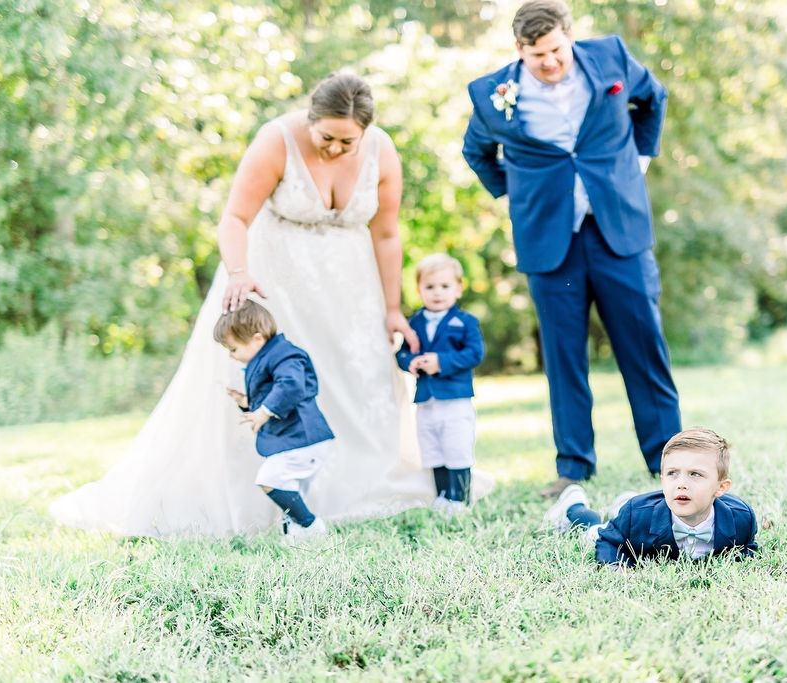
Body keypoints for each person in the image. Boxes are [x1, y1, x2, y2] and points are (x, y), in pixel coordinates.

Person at [51, 73, 490, 537]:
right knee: (283, 376)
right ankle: (280, 490)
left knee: (360, 384)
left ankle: (354, 486)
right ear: (310, 118)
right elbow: (235, 217)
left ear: (366, 131)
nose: (336, 150)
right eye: (327, 138)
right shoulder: (276, 139)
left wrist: (392, 306)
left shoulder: (382, 150)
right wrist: (239, 272)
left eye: (349, 142)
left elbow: (386, 233)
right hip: (278, 282)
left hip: (352, 290)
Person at [462, 0, 681, 498]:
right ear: (519, 50)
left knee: (645, 347)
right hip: (549, 242)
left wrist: (640, 160)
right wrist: (516, 197)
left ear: (570, 36)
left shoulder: (612, 59)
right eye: (537, 55)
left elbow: (654, 98)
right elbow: (476, 152)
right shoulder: (492, 95)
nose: (550, 62)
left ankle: (668, 461)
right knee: (563, 358)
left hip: (618, 231)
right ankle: (573, 467)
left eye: (557, 50)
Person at [542, 427, 757, 567]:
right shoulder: (638, 516)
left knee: (634, 512)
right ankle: (573, 505)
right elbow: (610, 542)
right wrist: (617, 569)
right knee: (592, 531)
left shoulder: (741, 518)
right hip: (637, 519)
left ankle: (623, 504)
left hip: (640, 512)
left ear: (720, 488)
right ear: (663, 480)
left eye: (695, 474)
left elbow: (746, 549)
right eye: (673, 473)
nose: (681, 483)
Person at [214, 300, 333, 540]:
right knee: (290, 489)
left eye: (234, 348)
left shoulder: (285, 355)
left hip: (303, 438)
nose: (231, 355)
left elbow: (291, 385)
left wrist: (264, 411)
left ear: (257, 339)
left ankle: (311, 526)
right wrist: (248, 402)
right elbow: (273, 391)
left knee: (270, 479)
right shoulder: (268, 356)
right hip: (293, 440)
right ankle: (297, 535)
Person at [395, 254, 485, 514]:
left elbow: (474, 353)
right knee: (433, 449)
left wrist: (441, 361)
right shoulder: (416, 322)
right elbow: (402, 353)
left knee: (456, 447)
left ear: (458, 288)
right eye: (430, 287)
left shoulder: (465, 321)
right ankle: (443, 496)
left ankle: (461, 499)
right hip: (426, 399)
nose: (437, 293)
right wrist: (410, 362)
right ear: (419, 290)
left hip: (455, 398)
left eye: (445, 287)